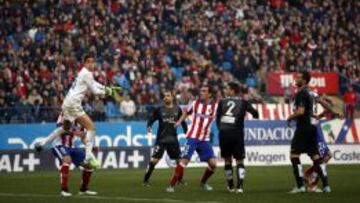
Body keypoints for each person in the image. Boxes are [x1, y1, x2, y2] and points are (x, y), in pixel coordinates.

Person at [61, 54, 121, 168]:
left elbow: (93, 84)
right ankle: (88, 157)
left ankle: (56, 146)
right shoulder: (86, 73)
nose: (91, 64)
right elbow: (94, 90)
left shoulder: (84, 72)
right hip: (74, 104)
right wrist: (109, 92)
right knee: (91, 128)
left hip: (67, 103)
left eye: (92, 62)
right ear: (84, 63)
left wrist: (106, 88)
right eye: (88, 62)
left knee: (66, 129)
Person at [167, 84, 218, 193]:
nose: (201, 93)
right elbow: (186, 112)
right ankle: (171, 185)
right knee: (184, 161)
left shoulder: (215, 107)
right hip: (192, 137)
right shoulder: (195, 104)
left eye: (204, 91)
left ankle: (203, 183)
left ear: (210, 94)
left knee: (213, 164)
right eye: (201, 90)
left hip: (205, 139)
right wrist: (179, 122)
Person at [287, 71, 331, 193]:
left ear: (304, 81)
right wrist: (322, 114)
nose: (296, 79)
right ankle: (326, 186)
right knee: (316, 157)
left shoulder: (301, 93)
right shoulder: (311, 94)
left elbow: (300, 112)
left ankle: (300, 186)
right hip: (312, 128)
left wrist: (290, 117)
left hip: (303, 127)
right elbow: (324, 106)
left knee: (294, 155)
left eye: (299, 78)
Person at [35, 114, 97, 197]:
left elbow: (83, 138)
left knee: (89, 166)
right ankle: (64, 190)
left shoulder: (81, 122)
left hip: (72, 147)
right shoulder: (64, 117)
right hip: (59, 145)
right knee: (67, 159)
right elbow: (57, 132)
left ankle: (83, 189)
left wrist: (90, 145)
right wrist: (43, 143)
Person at [216, 82, 259, 193]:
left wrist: (222, 128)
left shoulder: (222, 102)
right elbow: (255, 113)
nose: (225, 91)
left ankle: (230, 186)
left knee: (227, 160)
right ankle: (240, 187)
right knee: (239, 160)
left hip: (224, 133)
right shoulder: (243, 102)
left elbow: (217, 119)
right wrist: (254, 114)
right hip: (237, 133)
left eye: (227, 89)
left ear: (232, 90)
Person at [142, 90, 188, 186]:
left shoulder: (177, 109)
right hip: (161, 139)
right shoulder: (159, 109)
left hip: (173, 140)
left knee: (179, 160)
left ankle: (180, 180)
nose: (166, 97)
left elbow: (182, 122)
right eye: (165, 96)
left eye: (168, 96)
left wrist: (186, 132)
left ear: (172, 97)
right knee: (154, 160)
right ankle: (145, 180)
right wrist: (149, 126)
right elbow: (151, 119)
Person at [304, 94, 341, 192]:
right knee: (321, 158)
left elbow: (316, 116)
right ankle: (314, 184)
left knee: (327, 156)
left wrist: (323, 114)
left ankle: (309, 175)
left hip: (316, 130)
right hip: (312, 132)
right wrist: (331, 110)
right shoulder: (307, 100)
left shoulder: (312, 102)